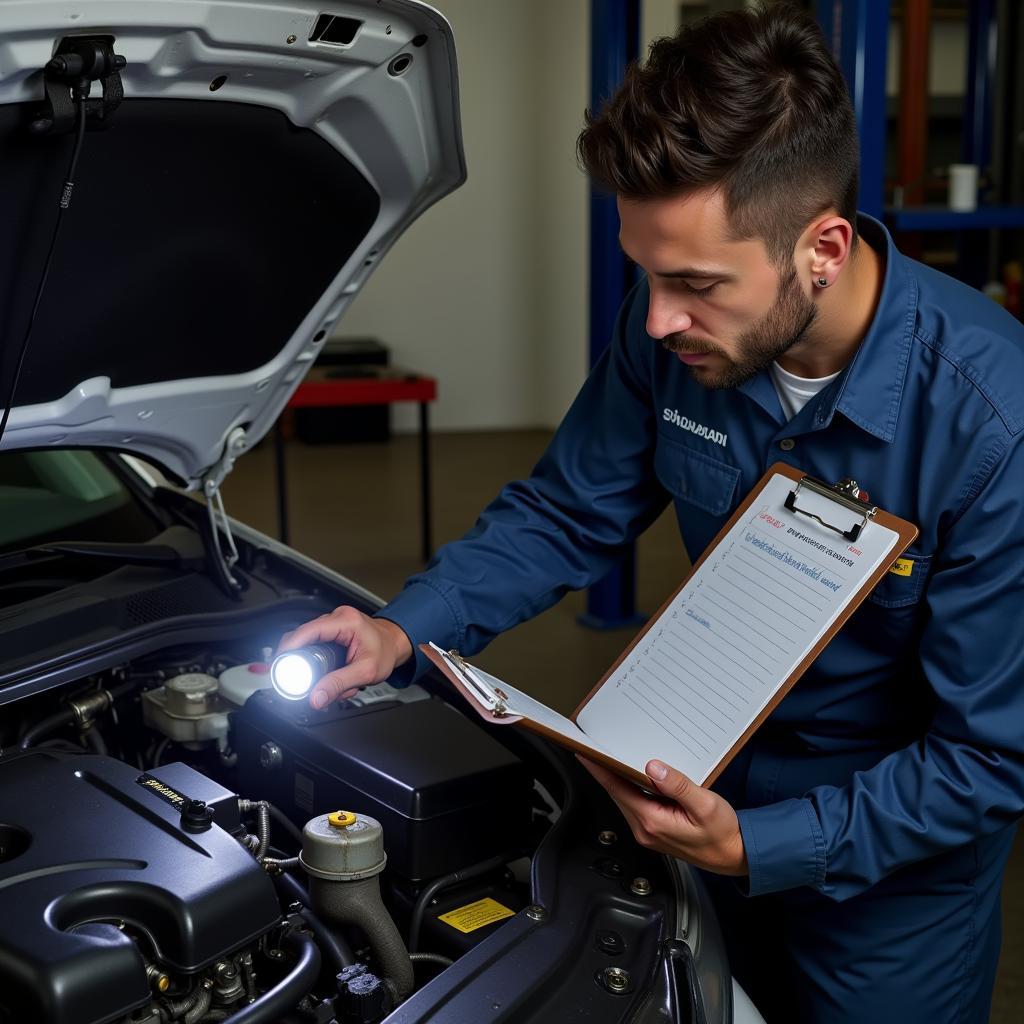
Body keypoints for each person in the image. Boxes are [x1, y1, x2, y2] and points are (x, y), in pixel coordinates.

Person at [277, 4, 1024, 1020]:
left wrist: (764, 844)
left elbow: (988, 754)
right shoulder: (671, 327)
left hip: (883, 900)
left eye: (696, 283)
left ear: (823, 246)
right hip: (679, 814)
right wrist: (404, 629)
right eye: (646, 275)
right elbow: (566, 509)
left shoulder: (992, 427)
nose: (659, 316)